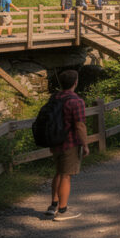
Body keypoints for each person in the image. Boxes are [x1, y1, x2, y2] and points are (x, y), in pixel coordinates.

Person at [46, 69, 88, 221]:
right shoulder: (76, 101)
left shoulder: (54, 97)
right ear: (75, 82)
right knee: (66, 175)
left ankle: (53, 205)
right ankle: (62, 211)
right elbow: (80, 126)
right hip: (69, 142)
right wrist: (86, 145)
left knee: (58, 172)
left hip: (54, 140)